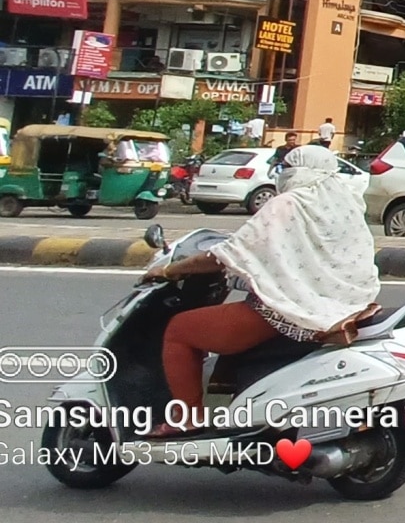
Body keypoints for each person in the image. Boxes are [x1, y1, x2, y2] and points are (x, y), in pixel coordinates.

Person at [142, 145, 381, 437]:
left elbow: (228, 253)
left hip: (296, 310)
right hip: (348, 302)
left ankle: (188, 417)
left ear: (300, 171)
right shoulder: (346, 202)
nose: (282, 174)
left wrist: (170, 270)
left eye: (286, 168)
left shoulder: (288, 204)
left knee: (180, 330)